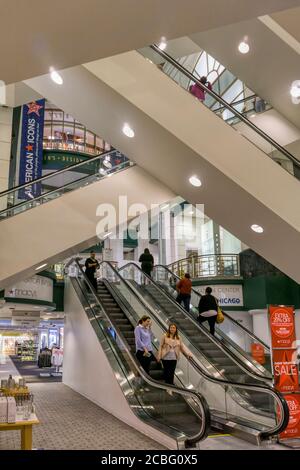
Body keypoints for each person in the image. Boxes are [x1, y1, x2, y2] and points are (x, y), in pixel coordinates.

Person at [157, 323, 192, 390]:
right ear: (169, 329)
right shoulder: (165, 336)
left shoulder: (178, 337)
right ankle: (167, 385)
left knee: (172, 371)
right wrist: (159, 355)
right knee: (167, 371)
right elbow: (160, 346)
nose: (172, 329)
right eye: (171, 327)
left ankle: (171, 386)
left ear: (176, 329)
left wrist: (188, 354)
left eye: (174, 328)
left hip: (174, 357)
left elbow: (182, 347)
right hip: (165, 357)